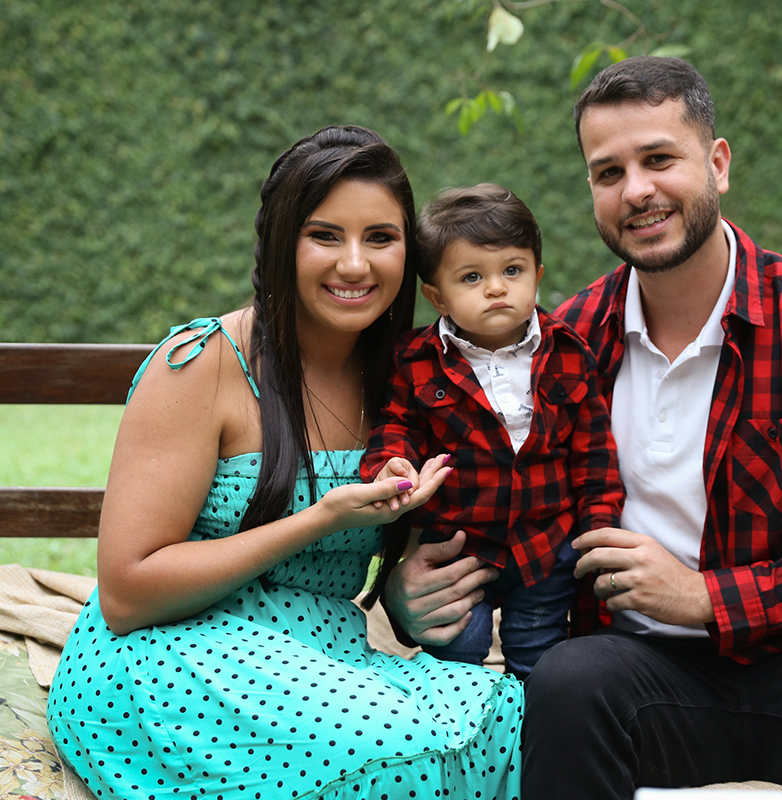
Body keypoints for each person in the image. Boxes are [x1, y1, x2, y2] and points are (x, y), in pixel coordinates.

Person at [383, 58, 782, 799]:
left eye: (659, 159)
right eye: (608, 172)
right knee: (564, 683)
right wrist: (409, 589)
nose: (637, 190)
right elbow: (484, 491)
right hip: (642, 672)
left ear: (717, 164)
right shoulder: (568, 341)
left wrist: (710, 599)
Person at [46, 126, 523, 800]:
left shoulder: (411, 379)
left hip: (324, 654)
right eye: (324, 235)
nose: (355, 264)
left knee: (502, 718)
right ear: (279, 242)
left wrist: (407, 599)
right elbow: (128, 593)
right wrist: (318, 520)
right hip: (174, 650)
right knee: (397, 750)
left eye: (380, 239)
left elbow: (399, 564)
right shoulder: (205, 363)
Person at [362, 183, 624, 679]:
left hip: (546, 541)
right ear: (437, 297)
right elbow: (398, 424)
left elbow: (594, 456)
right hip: (461, 544)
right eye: (472, 277)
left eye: (512, 271)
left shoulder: (568, 353)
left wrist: (597, 526)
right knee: (461, 643)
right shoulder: (418, 362)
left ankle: (533, 734)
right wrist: (390, 463)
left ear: (537, 276)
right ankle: (459, 732)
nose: (497, 288)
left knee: (539, 650)